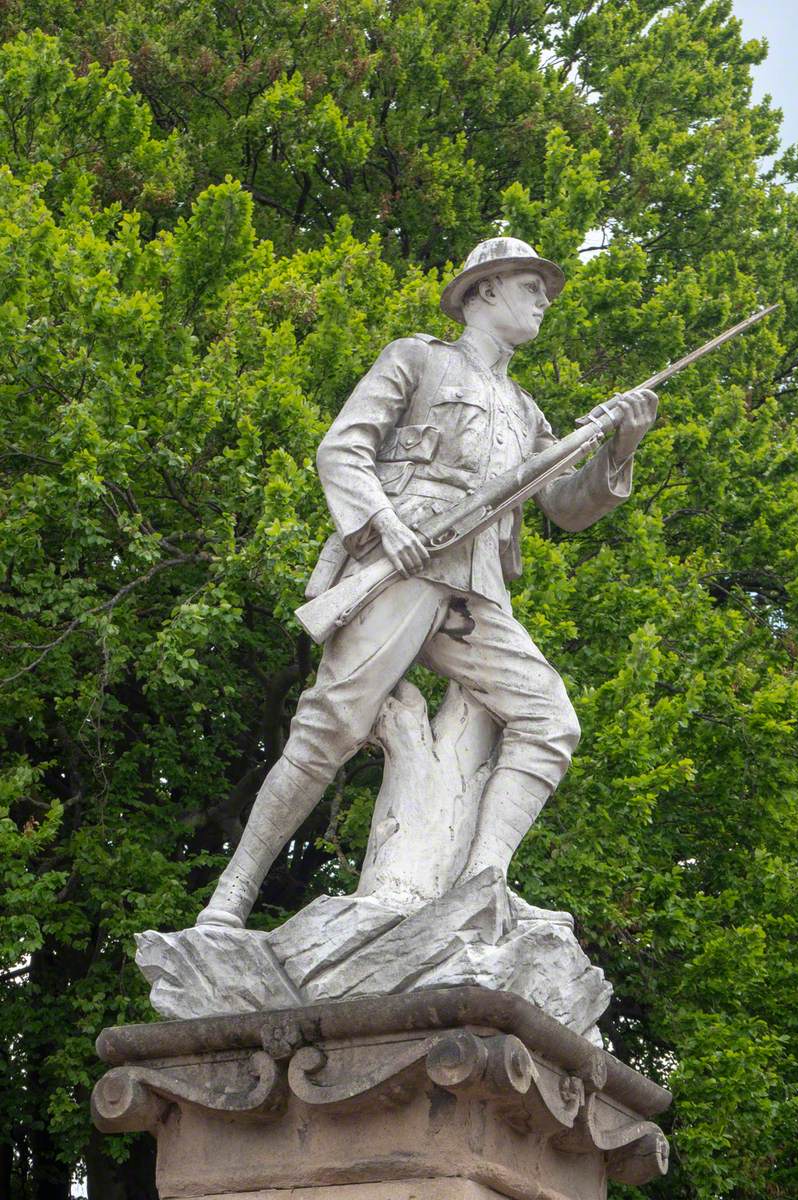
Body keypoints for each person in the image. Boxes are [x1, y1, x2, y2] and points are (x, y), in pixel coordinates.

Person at [197, 237, 657, 928]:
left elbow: (566, 506)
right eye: (532, 286)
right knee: (330, 726)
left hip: (477, 588)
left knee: (549, 720)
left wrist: (619, 448)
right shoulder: (417, 359)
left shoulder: (527, 411)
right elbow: (342, 449)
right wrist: (384, 525)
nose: (544, 301)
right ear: (485, 291)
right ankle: (232, 893)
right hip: (405, 563)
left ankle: (483, 878)